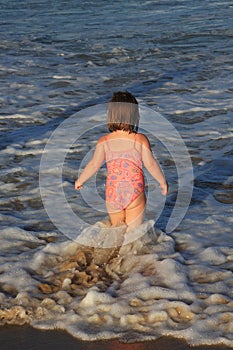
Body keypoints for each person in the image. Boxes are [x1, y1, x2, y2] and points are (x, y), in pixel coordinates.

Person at [75, 91, 168, 232]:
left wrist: (80, 180)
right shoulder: (140, 139)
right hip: (134, 192)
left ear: (111, 115)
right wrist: (162, 182)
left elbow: (94, 164)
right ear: (134, 115)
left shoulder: (104, 141)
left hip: (113, 193)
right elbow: (151, 164)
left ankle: (115, 253)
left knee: (116, 233)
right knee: (132, 235)